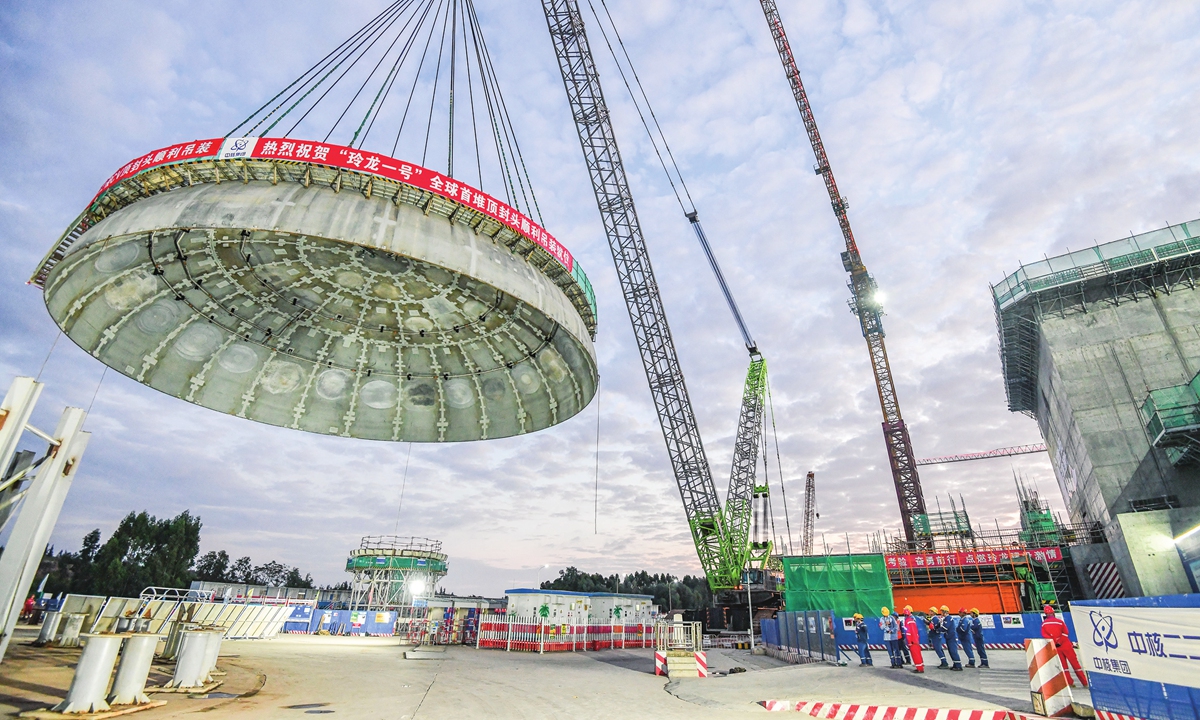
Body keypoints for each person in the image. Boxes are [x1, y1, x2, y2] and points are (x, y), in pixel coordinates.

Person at [1041, 605, 1087, 686]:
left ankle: (1069, 683)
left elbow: (1045, 636)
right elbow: (1065, 633)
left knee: (1063, 667)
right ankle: (1084, 682)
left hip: (1056, 648)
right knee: (1076, 665)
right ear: (1053, 612)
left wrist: (1055, 642)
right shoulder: (1060, 622)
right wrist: (1060, 641)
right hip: (1066, 645)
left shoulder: (1044, 624)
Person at [939, 605, 964, 671]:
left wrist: (937, 630)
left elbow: (945, 628)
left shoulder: (948, 618)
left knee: (953, 651)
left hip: (952, 638)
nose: (941, 612)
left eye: (941, 611)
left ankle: (958, 666)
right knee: (951, 651)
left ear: (945, 612)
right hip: (949, 637)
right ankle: (955, 664)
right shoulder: (946, 619)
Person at [901, 605, 924, 673]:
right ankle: (920, 666)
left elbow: (909, 633)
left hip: (912, 641)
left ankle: (919, 668)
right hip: (915, 641)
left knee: (915, 655)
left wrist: (910, 642)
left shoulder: (908, 621)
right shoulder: (911, 620)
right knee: (918, 654)